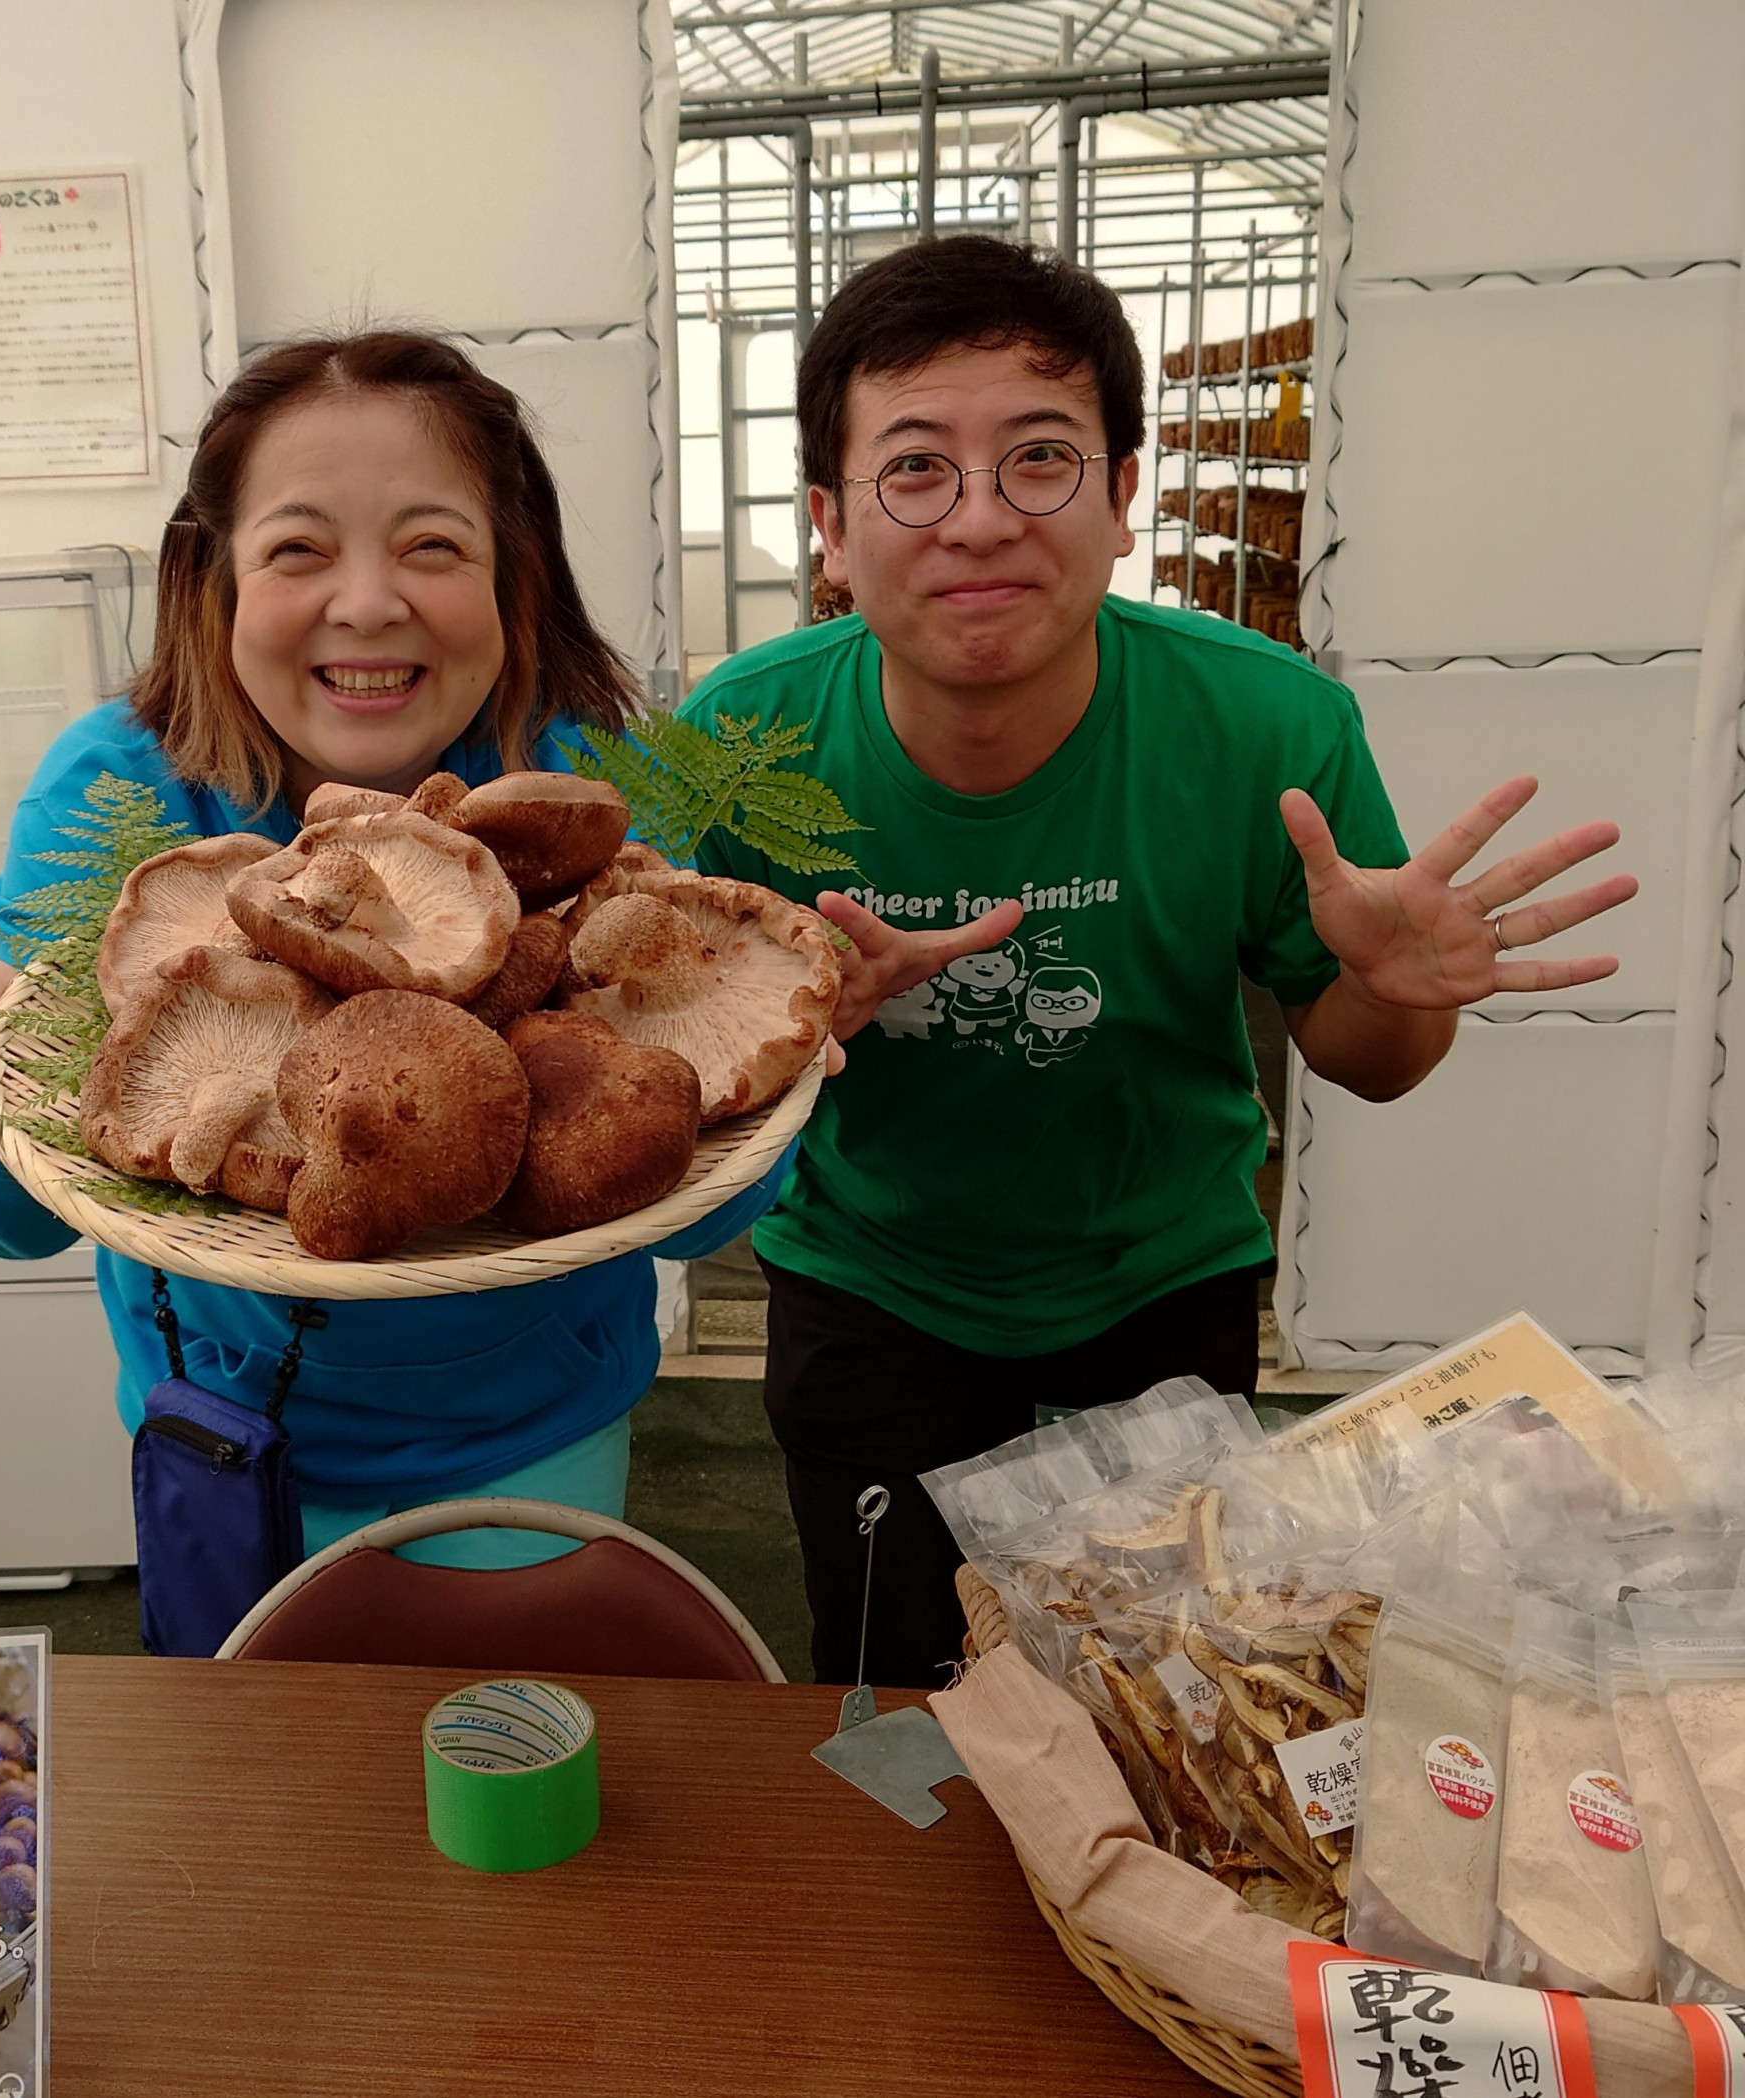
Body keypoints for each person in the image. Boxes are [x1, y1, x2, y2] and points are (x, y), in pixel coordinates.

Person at [684, 236, 1636, 1685]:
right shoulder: (730, 738)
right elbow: (632, 1044)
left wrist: (1385, 988)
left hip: (1158, 1293)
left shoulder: (1271, 730)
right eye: (917, 470)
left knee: (1163, 1689)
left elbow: (1363, 1065)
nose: (981, 520)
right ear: (829, 521)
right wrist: (789, 1025)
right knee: (880, 1703)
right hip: (872, 1291)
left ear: (1126, 497)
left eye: (1043, 461)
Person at [0, 330, 784, 1589]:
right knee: (270, 1776)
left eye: (434, 545)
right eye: (298, 548)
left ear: (514, 577)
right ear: (209, 579)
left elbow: (713, 1196)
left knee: (514, 1753)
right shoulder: (123, 791)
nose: (368, 601)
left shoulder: (583, 793)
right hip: (224, 1446)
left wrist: (764, 1068)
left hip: (533, 1437)